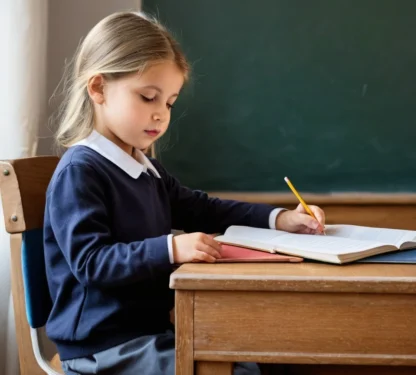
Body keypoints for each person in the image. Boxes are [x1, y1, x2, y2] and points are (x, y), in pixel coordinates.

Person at [43, 11, 325, 375]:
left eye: (169, 102)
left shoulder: (145, 168)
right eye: (148, 97)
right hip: (103, 347)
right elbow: (92, 263)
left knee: (272, 358)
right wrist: (171, 247)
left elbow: (203, 210)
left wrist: (280, 219)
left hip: (152, 331)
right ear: (97, 89)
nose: (161, 114)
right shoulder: (81, 172)